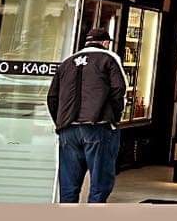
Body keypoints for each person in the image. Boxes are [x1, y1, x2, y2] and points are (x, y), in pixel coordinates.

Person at [47, 28, 128, 204]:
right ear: (105, 43)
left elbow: (52, 97)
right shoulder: (109, 58)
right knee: (100, 183)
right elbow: (119, 89)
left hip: (68, 130)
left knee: (68, 186)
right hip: (98, 126)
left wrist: (61, 122)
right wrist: (114, 117)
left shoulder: (66, 62)